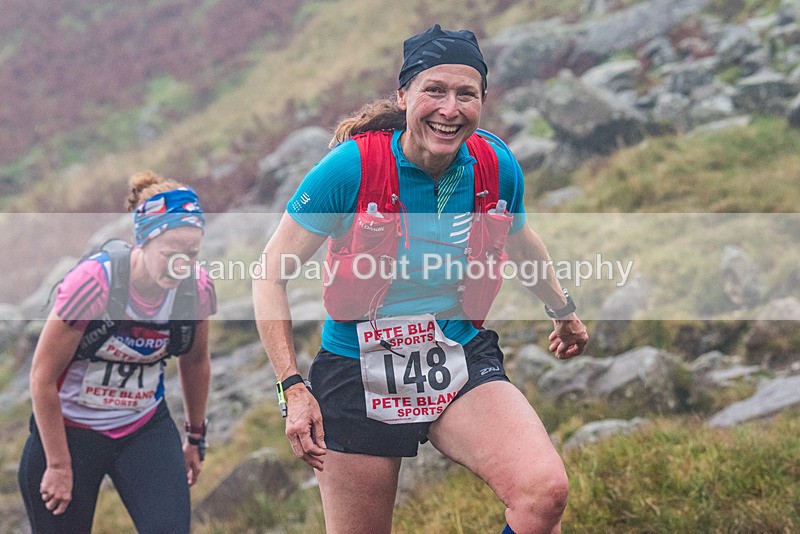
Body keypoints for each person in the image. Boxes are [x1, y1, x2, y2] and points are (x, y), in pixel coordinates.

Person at [253, 25, 588, 534]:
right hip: (357, 366)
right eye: (435, 90)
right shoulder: (351, 168)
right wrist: (292, 388)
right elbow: (269, 273)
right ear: (404, 95)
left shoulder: (496, 165)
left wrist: (563, 311)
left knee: (543, 495)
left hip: (455, 350)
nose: (450, 110)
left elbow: (520, 241)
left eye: (466, 94)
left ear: (482, 101)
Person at [18, 171, 216, 533]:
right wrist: (58, 464)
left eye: (192, 254)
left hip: (143, 429)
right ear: (142, 242)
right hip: (70, 430)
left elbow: (196, 361)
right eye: (170, 254)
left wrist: (195, 438)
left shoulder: (196, 290)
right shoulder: (93, 284)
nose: (181, 265)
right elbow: (42, 376)